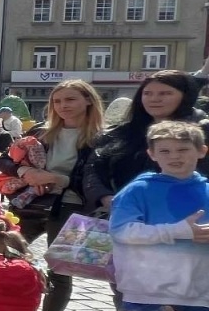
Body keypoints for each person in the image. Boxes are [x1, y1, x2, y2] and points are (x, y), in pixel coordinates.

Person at [110, 120, 209, 311]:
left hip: (197, 290)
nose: (174, 156)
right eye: (165, 150)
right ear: (152, 154)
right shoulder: (140, 189)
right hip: (146, 288)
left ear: (202, 151)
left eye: (183, 149)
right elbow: (123, 231)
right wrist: (179, 231)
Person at [0, 79, 103, 311]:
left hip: (72, 208)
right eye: (57, 101)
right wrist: (24, 171)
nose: (63, 105)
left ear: (88, 100)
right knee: (2, 255)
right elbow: (4, 160)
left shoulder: (101, 138)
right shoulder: (41, 131)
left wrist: (59, 179)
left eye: (70, 99)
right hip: (31, 203)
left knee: (60, 270)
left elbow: (99, 179)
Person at [88, 71, 209, 210]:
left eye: (165, 93)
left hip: (188, 214)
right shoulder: (120, 133)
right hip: (122, 214)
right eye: (147, 93)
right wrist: (104, 197)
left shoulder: (202, 132)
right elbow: (93, 169)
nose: (154, 99)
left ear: (185, 96)